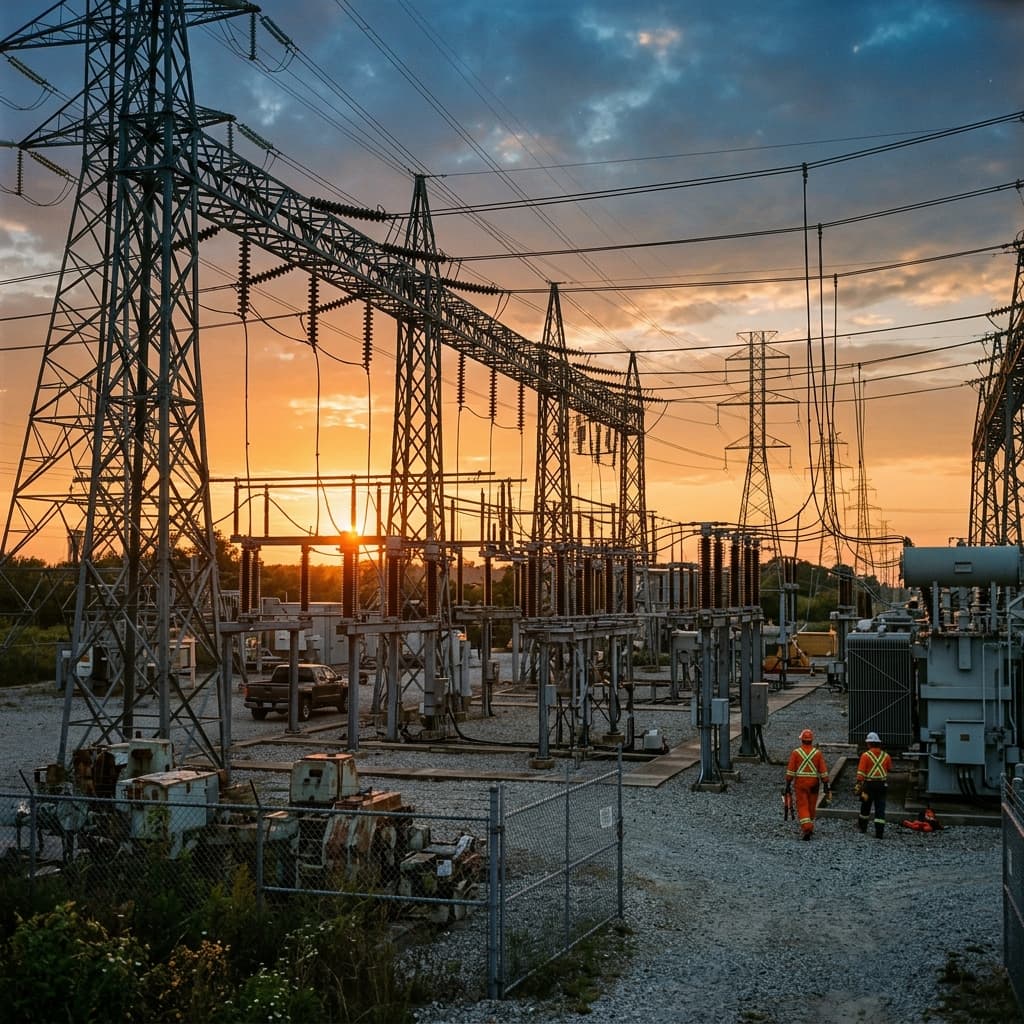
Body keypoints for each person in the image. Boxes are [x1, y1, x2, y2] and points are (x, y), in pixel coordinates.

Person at [784, 728, 830, 840]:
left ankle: (807, 827)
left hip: (801, 783)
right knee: (811, 805)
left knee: (802, 805)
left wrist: (788, 783)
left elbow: (790, 770)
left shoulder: (796, 753)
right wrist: (825, 784)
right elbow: (823, 770)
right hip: (814, 783)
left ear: (802, 740)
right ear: (811, 740)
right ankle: (810, 824)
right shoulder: (817, 753)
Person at [855, 731, 892, 839]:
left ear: (869, 743)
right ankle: (879, 832)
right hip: (882, 785)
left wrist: (858, 785)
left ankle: (862, 828)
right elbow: (889, 768)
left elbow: (860, 774)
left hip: (868, 785)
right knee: (880, 809)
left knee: (865, 807)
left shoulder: (865, 756)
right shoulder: (886, 756)